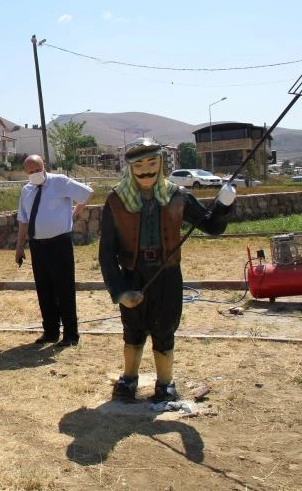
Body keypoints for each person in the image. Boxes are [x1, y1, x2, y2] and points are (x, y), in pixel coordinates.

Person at [99, 138, 236, 402]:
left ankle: (164, 383)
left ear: (161, 163)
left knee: (165, 329)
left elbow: (212, 227)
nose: (146, 170)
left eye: (152, 162)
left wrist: (224, 206)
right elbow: (106, 252)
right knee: (133, 329)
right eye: (139, 164)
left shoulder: (177, 195)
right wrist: (119, 291)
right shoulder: (116, 200)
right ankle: (129, 379)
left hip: (167, 275)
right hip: (132, 273)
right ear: (130, 167)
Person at [15, 154, 93, 347]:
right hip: (37, 246)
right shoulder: (26, 190)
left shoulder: (59, 182)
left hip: (59, 244)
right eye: (30, 171)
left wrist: (73, 214)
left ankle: (70, 334)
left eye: (37, 169)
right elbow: (23, 220)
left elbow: (87, 193)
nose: (34, 174)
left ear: (44, 166)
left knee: (64, 289)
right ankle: (50, 331)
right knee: (44, 290)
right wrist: (19, 247)